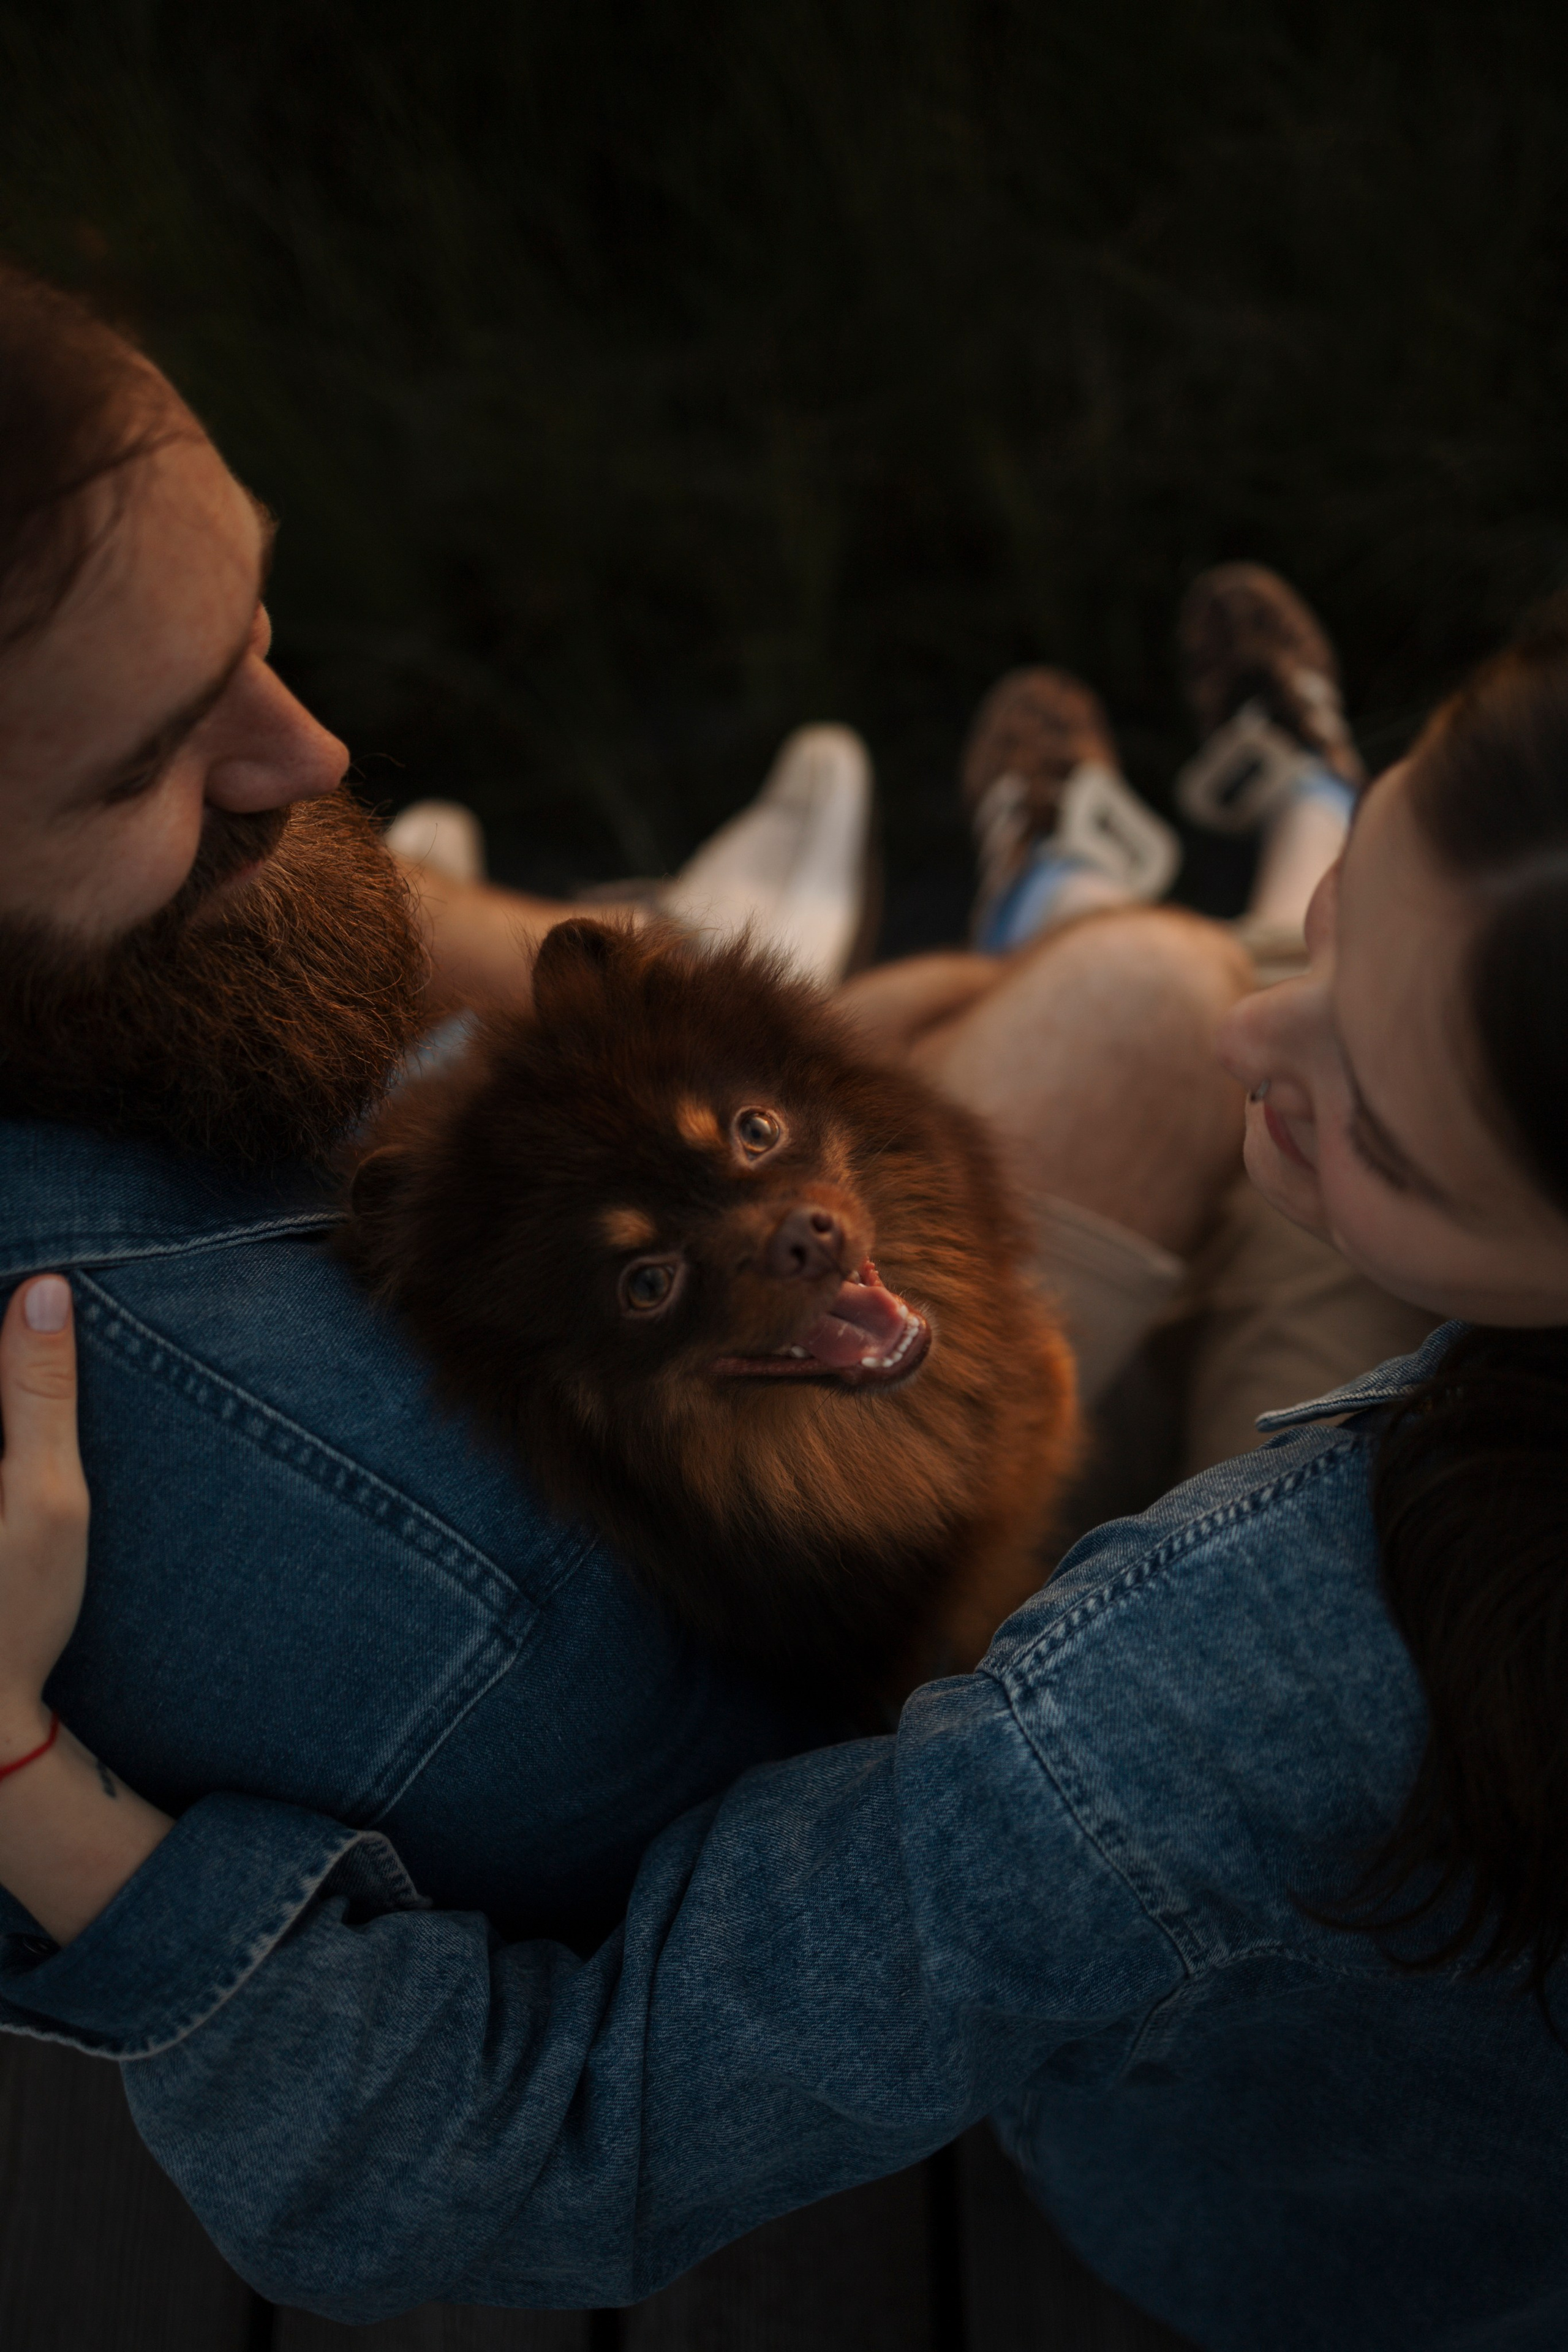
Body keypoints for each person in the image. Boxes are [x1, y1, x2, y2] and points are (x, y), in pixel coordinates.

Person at [5, 633, 1568, 2351]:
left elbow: (530, 2144)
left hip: (1268, 2223)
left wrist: (26, 1782)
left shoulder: (1222, 1694)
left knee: (1150, 991)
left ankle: (1153, 865)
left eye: (1391, 1129)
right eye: (1344, 917)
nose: (1281, 1032)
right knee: (1170, 986)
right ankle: (1228, 851)